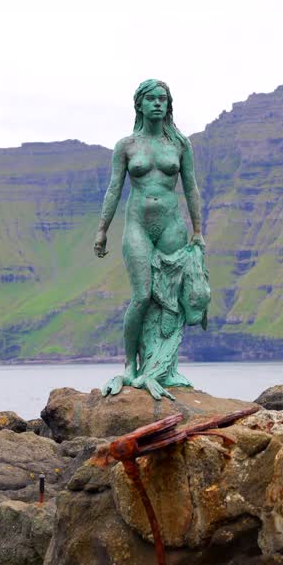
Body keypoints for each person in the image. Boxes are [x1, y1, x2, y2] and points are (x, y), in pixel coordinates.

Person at [94, 79, 208, 399]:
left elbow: (191, 188)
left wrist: (198, 230)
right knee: (143, 295)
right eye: (151, 99)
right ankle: (131, 365)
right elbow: (114, 188)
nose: (158, 103)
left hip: (172, 224)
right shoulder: (127, 146)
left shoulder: (180, 145)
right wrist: (102, 230)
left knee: (170, 301)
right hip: (138, 225)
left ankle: (163, 367)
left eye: (163, 99)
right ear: (140, 105)